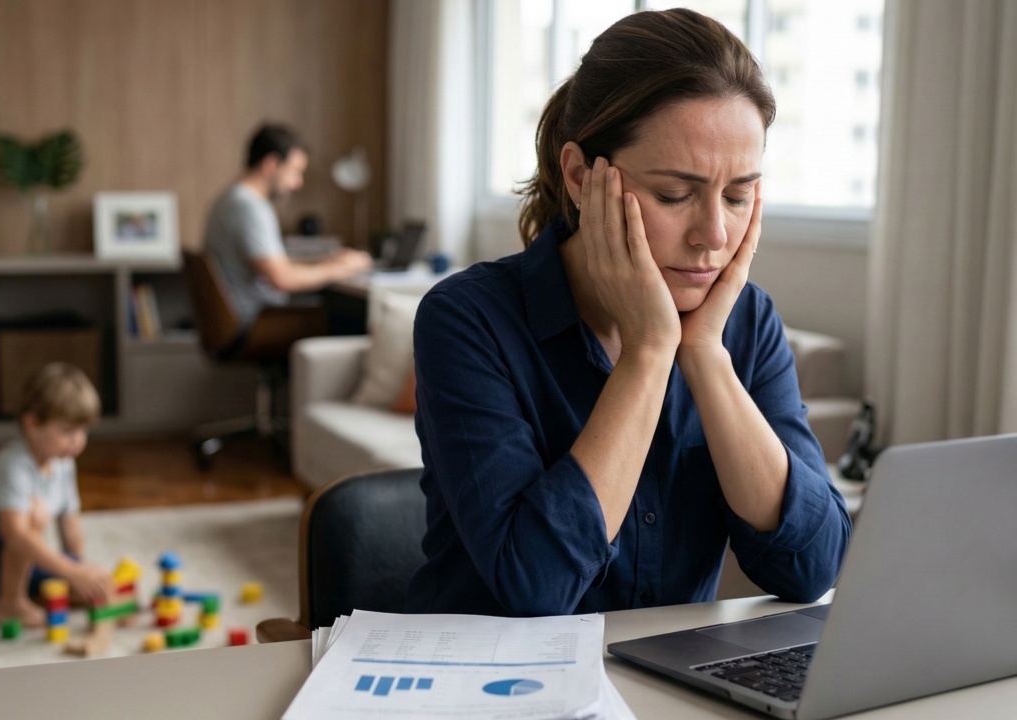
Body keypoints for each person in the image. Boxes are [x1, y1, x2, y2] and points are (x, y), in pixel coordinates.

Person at [405, 9, 850, 617]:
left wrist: (705, 358)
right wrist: (647, 352)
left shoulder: (747, 324)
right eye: (674, 194)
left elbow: (813, 568)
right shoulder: (467, 320)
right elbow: (536, 588)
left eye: (739, 194)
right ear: (581, 177)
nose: (715, 235)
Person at [0, 363, 115, 625]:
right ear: (32, 424)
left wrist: (79, 571)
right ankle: (10, 604)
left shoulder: (63, 463)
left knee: (90, 590)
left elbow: (71, 526)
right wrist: (72, 571)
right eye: (67, 431)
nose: (77, 441)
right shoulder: (13, 466)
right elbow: (15, 534)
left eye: (83, 431)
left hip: (14, 562)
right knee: (35, 512)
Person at [202, 123, 371, 330]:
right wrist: (341, 268)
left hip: (241, 316)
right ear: (271, 164)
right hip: (257, 321)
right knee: (358, 317)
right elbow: (282, 278)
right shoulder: (250, 207)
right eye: (294, 172)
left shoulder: (230, 198)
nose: (297, 183)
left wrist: (325, 259)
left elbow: (271, 262)